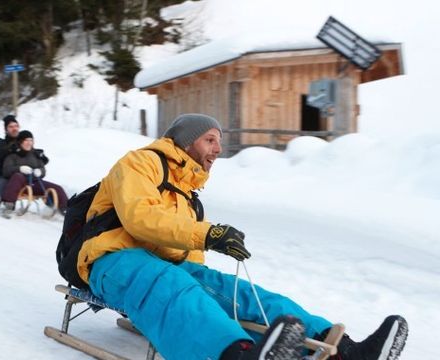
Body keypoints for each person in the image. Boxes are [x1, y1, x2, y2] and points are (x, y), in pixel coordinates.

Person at [71, 113, 408, 360]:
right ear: (187, 140)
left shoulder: (190, 195)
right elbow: (140, 218)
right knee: (172, 288)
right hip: (111, 261)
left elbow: (186, 255)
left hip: (166, 265)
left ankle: (344, 352)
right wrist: (209, 234)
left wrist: (208, 267)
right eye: (210, 139)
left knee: (240, 294)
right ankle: (234, 354)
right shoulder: (140, 163)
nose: (218, 148)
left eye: (219, 141)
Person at [0, 130, 67, 216]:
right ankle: (9, 205)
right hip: (19, 182)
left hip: (34, 182)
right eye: (26, 140)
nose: (29, 143)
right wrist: (19, 168)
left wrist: (40, 171)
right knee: (17, 176)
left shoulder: (35, 154)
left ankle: (65, 209)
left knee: (57, 188)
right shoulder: (13, 155)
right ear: (20, 141)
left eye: (31, 140)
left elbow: (42, 168)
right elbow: (6, 170)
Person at [0, 115, 21, 212]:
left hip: (20, 174)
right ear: (6, 129)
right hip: (4, 174)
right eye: (11, 127)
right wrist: (9, 149)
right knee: (4, 180)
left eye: (16, 126)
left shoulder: (23, 142)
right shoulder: (1, 142)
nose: (14, 129)